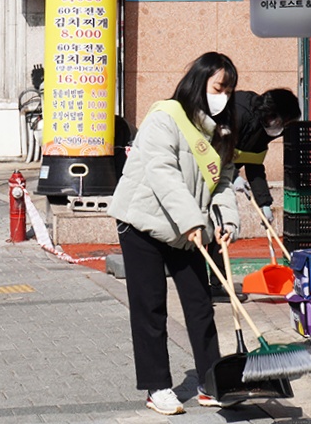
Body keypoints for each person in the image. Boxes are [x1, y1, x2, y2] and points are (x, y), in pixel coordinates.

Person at [107, 52, 241, 415]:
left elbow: (224, 180)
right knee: (150, 305)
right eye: (218, 87)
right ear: (199, 83)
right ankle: (157, 386)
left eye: (229, 89)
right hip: (144, 222)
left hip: (187, 228)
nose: (224, 96)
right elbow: (161, 171)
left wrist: (226, 221)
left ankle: (212, 380)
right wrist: (193, 220)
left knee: (200, 304)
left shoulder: (221, 129)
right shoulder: (165, 117)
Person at [208, 88, 302, 302]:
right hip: (206, 172)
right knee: (207, 227)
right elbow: (214, 149)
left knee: (220, 228)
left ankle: (218, 283)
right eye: (285, 123)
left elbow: (254, 164)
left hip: (223, 175)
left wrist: (264, 203)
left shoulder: (266, 129)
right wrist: (231, 176)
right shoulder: (237, 113)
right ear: (273, 115)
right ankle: (204, 286)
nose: (283, 130)